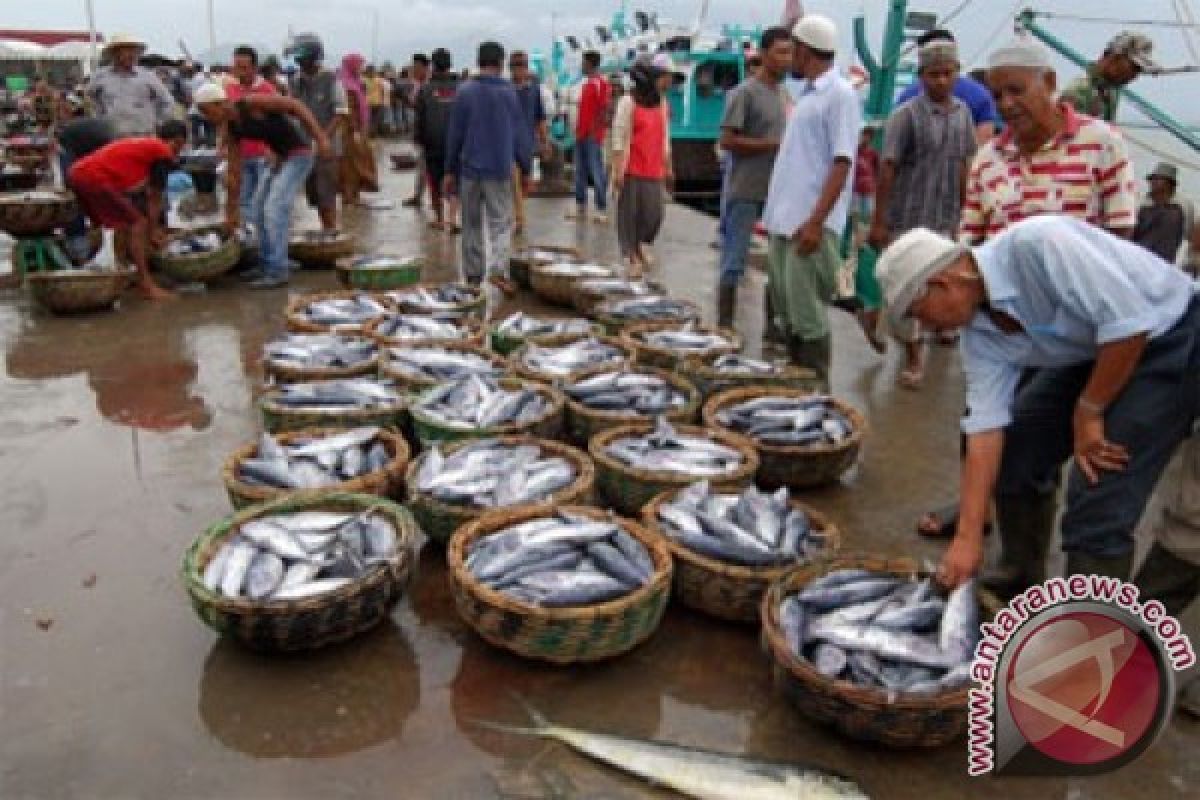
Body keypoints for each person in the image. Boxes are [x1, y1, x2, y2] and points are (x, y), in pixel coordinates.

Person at [877, 215, 1200, 590]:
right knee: (1019, 447)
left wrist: (1088, 411)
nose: (927, 329)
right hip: (1099, 345)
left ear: (940, 284)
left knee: (1098, 492)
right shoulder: (979, 336)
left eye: (919, 315)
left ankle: (1090, 633)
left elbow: (1131, 325)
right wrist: (967, 538)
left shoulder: (1039, 245)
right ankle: (1021, 576)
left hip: (1172, 334)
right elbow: (985, 430)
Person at [917, 36, 1141, 555]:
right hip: (1004, 319)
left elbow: (1121, 241)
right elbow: (969, 242)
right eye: (997, 96)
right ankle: (983, 515)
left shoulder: (1102, 143)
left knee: (1034, 444)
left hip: (1078, 327)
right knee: (981, 423)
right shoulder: (988, 160)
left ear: (1051, 85)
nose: (1007, 104)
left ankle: (1022, 559)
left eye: (1017, 90)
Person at [867, 37, 977, 389]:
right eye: (934, 74)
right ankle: (914, 357)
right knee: (911, 288)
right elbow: (888, 168)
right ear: (921, 76)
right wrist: (879, 219)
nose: (941, 81)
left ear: (957, 73)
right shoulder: (906, 116)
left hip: (944, 217)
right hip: (908, 217)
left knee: (938, 288)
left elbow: (964, 165)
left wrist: (967, 213)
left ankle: (904, 328)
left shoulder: (963, 115)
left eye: (948, 74)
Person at [761, 15, 861, 387]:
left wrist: (817, 221)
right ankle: (795, 382)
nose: (790, 61)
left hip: (809, 224)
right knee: (786, 309)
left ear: (805, 51)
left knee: (807, 314)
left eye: (794, 53)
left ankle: (817, 389)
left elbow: (842, 160)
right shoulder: (807, 95)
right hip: (785, 221)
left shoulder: (840, 95)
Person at [194, 82, 331, 289]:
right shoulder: (231, 129)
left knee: (275, 208)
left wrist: (321, 139)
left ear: (219, 103)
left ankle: (278, 270)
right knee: (257, 210)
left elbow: (296, 106)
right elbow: (234, 172)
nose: (207, 117)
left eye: (207, 111)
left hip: (299, 153)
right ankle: (268, 262)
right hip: (279, 157)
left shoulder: (250, 103)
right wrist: (231, 213)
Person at [715, 27, 792, 327]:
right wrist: (770, 146)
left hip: (777, 192)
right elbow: (727, 140)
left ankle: (771, 326)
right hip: (746, 188)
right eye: (781, 52)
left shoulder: (784, 94)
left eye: (790, 53)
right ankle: (724, 325)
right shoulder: (744, 93)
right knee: (734, 261)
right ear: (763, 54)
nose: (787, 60)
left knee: (777, 263)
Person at [67, 120, 189, 300]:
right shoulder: (162, 152)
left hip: (77, 173)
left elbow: (140, 191)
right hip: (95, 177)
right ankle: (146, 284)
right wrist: (154, 230)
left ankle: (121, 272)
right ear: (178, 141)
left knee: (120, 223)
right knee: (139, 224)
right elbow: (154, 198)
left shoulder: (145, 146)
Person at [444, 41, 531, 292]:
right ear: (501, 63)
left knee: (471, 223)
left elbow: (455, 135)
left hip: (469, 168)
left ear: (479, 61)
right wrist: (526, 168)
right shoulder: (509, 93)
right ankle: (498, 271)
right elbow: (520, 135)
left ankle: (473, 276)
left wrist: (450, 170)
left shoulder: (465, 91)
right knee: (500, 222)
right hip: (499, 168)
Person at [611, 55, 674, 277]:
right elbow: (619, 136)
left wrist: (668, 165)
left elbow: (665, 135)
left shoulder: (662, 103)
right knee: (629, 214)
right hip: (632, 166)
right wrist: (618, 168)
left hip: (654, 166)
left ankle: (641, 244)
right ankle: (631, 254)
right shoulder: (628, 102)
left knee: (654, 214)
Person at [289, 33, 348, 232]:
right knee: (314, 195)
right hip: (304, 147)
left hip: (327, 149)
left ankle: (332, 231)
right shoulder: (296, 81)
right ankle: (327, 228)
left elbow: (340, 114)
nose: (298, 62)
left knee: (327, 195)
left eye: (302, 58)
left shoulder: (331, 79)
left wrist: (323, 138)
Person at [895, 29, 997, 144]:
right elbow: (983, 141)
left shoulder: (907, 96)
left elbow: (896, 146)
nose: (941, 81)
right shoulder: (980, 94)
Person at [222, 46, 277, 234]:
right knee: (243, 199)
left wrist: (273, 149)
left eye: (244, 67)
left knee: (263, 200)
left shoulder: (267, 90)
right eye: (236, 66)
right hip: (240, 155)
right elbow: (225, 121)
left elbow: (277, 122)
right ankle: (250, 239)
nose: (239, 71)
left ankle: (265, 237)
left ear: (254, 68)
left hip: (263, 154)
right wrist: (222, 146)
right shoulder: (230, 89)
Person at [85, 33, 173, 138]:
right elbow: (89, 99)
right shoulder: (100, 77)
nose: (131, 55)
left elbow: (167, 101)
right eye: (126, 51)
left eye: (133, 51)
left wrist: (159, 123)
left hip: (144, 134)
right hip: (113, 136)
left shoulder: (148, 76)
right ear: (114, 53)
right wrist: (100, 119)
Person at [1061, 31, 1160, 123]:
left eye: (1139, 71)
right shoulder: (1079, 92)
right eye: (1134, 67)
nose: (1134, 76)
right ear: (1114, 57)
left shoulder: (1111, 91)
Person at [57, 115, 117, 263]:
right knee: (73, 195)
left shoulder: (113, 147)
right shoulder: (111, 149)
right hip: (69, 143)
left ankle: (83, 243)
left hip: (86, 142)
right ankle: (77, 245)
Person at [414, 48, 461, 232]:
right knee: (455, 179)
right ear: (450, 64)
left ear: (433, 65)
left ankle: (440, 218)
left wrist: (419, 139)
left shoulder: (425, 90)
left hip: (432, 143)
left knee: (434, 180)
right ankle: (453, 218)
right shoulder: (461, 88)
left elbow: (419, 118)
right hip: (456, 144)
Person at [568, 50, 612, 223]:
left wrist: (595, 130)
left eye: (583, 63)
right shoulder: (587, 84)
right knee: (580, 170)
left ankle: (601, 208)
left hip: (592, 135)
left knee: (596, 170)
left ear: (590, 64)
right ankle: (581, 205)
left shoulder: (600, 84)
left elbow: (605, 108)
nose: (581, 66)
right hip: (581, 134)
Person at [508, 50, 548, 236]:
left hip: (528, 144)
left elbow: (540, 117)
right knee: (514, 179)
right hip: (508, 143)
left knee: (527, 184)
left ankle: (517, 212)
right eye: (516, 65)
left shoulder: (534, 90)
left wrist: (544, 141)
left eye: (522, 65)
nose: (519, 69)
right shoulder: (505, 90)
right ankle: (519, 218)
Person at [1134, 162, 1200, 270]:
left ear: (1170, 183)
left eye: (1158, 179)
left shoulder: (1183, 206)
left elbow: (1192, 235)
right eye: (1152, 179)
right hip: (1138, 258)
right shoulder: (1141, 204)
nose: (1153, 182)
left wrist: (1190, 261)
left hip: (1165, 265)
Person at [337, 54, 370, 207]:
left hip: (355, 129)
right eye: (359, 65)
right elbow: (349, 110)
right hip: (349, 131)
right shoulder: (347, 85)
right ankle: (348, 196)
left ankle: (353, 195)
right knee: (350, 165)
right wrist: (355, 130)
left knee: (355, 163)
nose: (361, 68)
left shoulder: (355, 83)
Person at [403, 53, 431, 208]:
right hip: (422, 130)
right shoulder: (418, 84)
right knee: (423, 165)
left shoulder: (428, 85)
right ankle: (419, 196)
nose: (413, 70)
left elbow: (417, 105)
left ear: (424, 68)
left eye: (416, 67)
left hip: (430, 132)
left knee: (428, 166)